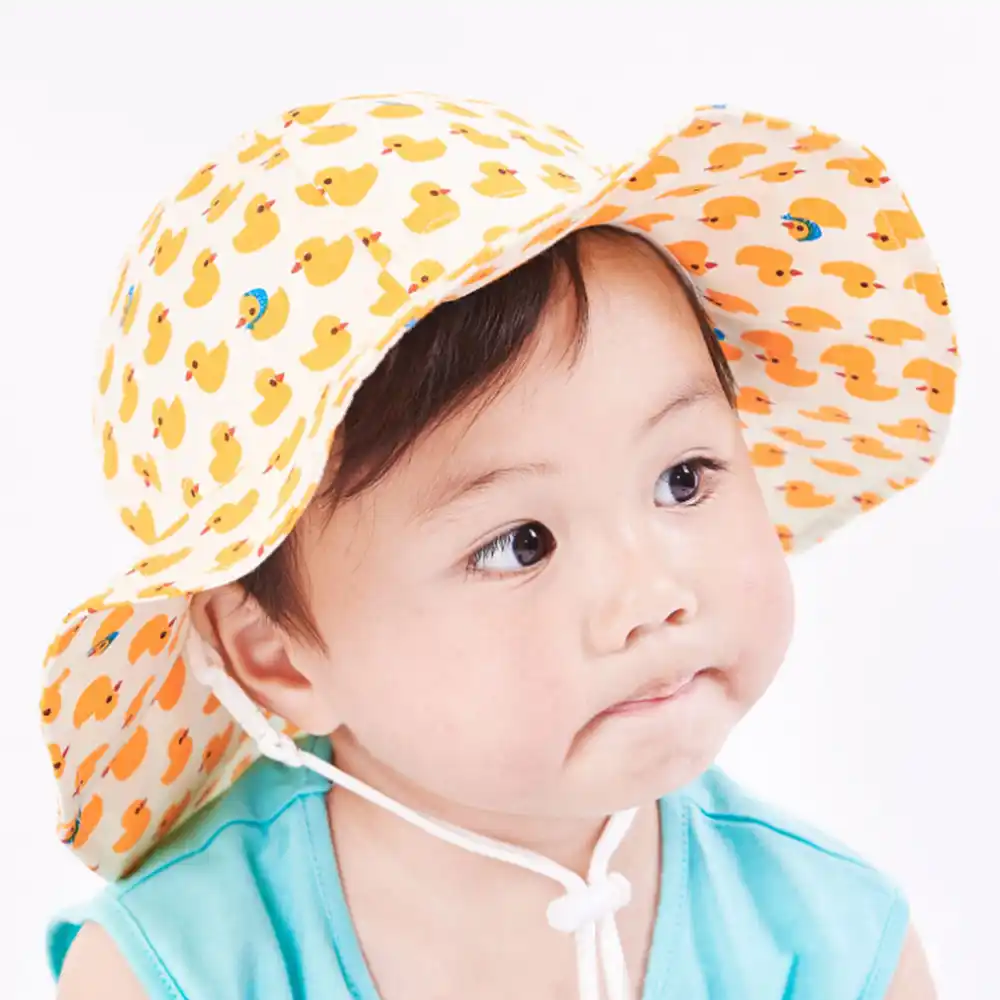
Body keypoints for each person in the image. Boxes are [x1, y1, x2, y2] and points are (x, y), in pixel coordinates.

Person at [42, 92, 957, 999]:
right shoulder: (174, 971)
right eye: (521, 543)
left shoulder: (834, 948)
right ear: (272, 655)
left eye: (683, 478)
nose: (650, 594)